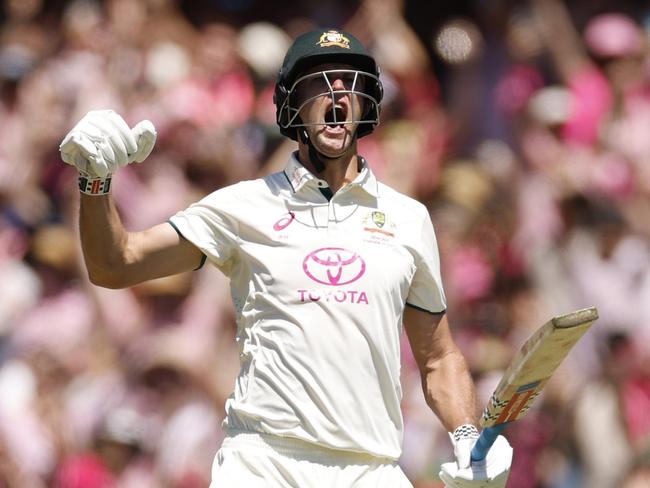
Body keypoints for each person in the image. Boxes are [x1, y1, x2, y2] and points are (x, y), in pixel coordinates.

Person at [59, 28, 512, 487]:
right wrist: (94, 183)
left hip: (371, 467)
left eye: (349, 81)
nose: (337, 92)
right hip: (263, 464)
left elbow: (437, 357)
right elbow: (114, 265)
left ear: (367, 105)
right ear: (291, 106)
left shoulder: (408, 218)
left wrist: (468, 436)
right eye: (318, 81)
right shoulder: (243, 206)